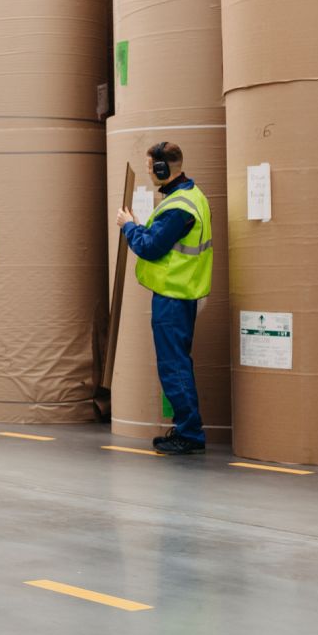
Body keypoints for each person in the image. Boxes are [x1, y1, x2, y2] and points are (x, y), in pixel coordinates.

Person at [115, 141, 212, 455]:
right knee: (177, 363)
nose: (148, 174)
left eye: (149, 168)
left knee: (174, 366)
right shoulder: (189, 196)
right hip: (181, 293)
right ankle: (186, 428)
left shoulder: (178, 208)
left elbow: (150, 247)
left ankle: (190, 432)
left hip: (174, 295)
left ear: (161, 168)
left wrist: (129, 227)